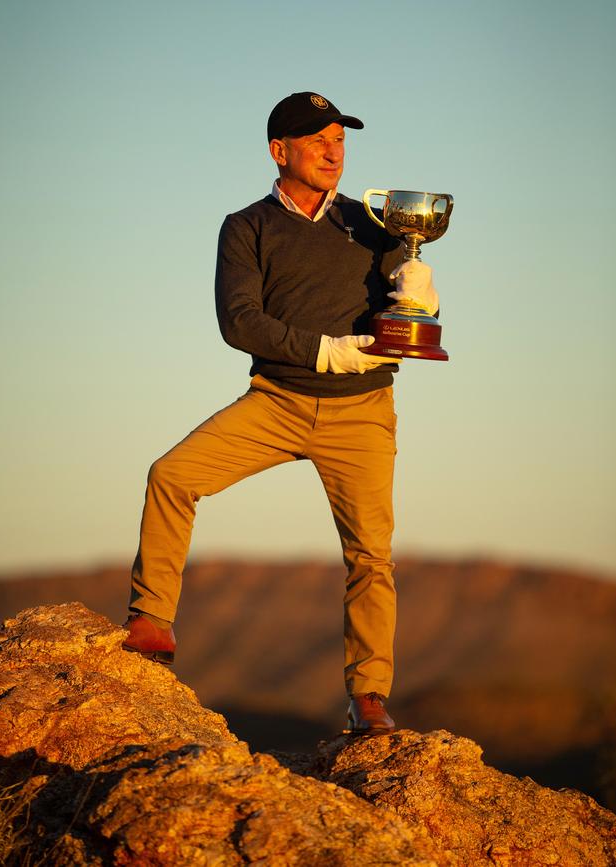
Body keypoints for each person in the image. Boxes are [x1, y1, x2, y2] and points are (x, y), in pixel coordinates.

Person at [122, 92, 439, 734]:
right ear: (279, 150)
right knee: (172, 476)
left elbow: (405, 324)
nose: (333, 152)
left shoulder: (374, 225)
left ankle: (369, 697)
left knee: (370, 559)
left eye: (341, 140)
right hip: (277, 402)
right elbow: (238, 322)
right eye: (318, 140)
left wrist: (421, 300)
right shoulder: (246, 227)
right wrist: (325, 353)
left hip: (362, 413)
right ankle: (152, 620)